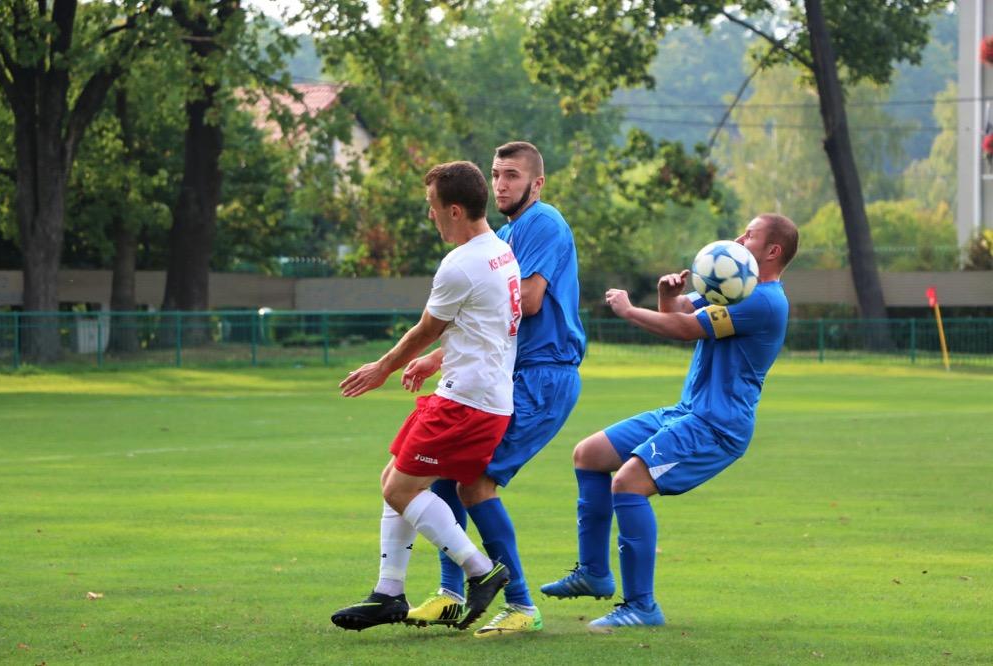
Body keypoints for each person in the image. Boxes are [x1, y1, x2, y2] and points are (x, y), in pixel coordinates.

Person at [540, 213, 799, 631]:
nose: (738, 239)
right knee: (589, 454)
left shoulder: (764, 301)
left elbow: (685, 329)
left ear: (772, 251)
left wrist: (629, 311)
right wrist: (667, 295)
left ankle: (641, 606)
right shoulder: (735, 288)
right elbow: (679, 313)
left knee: (628, 483)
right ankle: (594, 573)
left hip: (716, 426)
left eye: (749, 235)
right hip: (687, 411)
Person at [401, 141, 586, 637]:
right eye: (496, 174)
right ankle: (451, 596)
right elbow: (491, 323)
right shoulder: (504, 235)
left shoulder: (543, 222)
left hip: (544, 375)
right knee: (447, 474)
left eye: (512, 175)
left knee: (475, 484)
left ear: (537, 183)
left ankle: (522, 605)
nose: (501, 184)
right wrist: (439, 357)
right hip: (512, 372)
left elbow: (527, 301)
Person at [331, 160, 522, 632]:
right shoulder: (499, 251)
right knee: (394, 478)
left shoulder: (461, 264)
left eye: (432, 206)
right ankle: (389, 592)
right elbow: (479, 327)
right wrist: (438, 359)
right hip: (477, 394)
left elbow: (425, 330)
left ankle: (481, 571)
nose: (430, 215)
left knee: (400, 489)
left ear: (454, 210)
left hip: (467, 402)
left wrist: (382, 368)